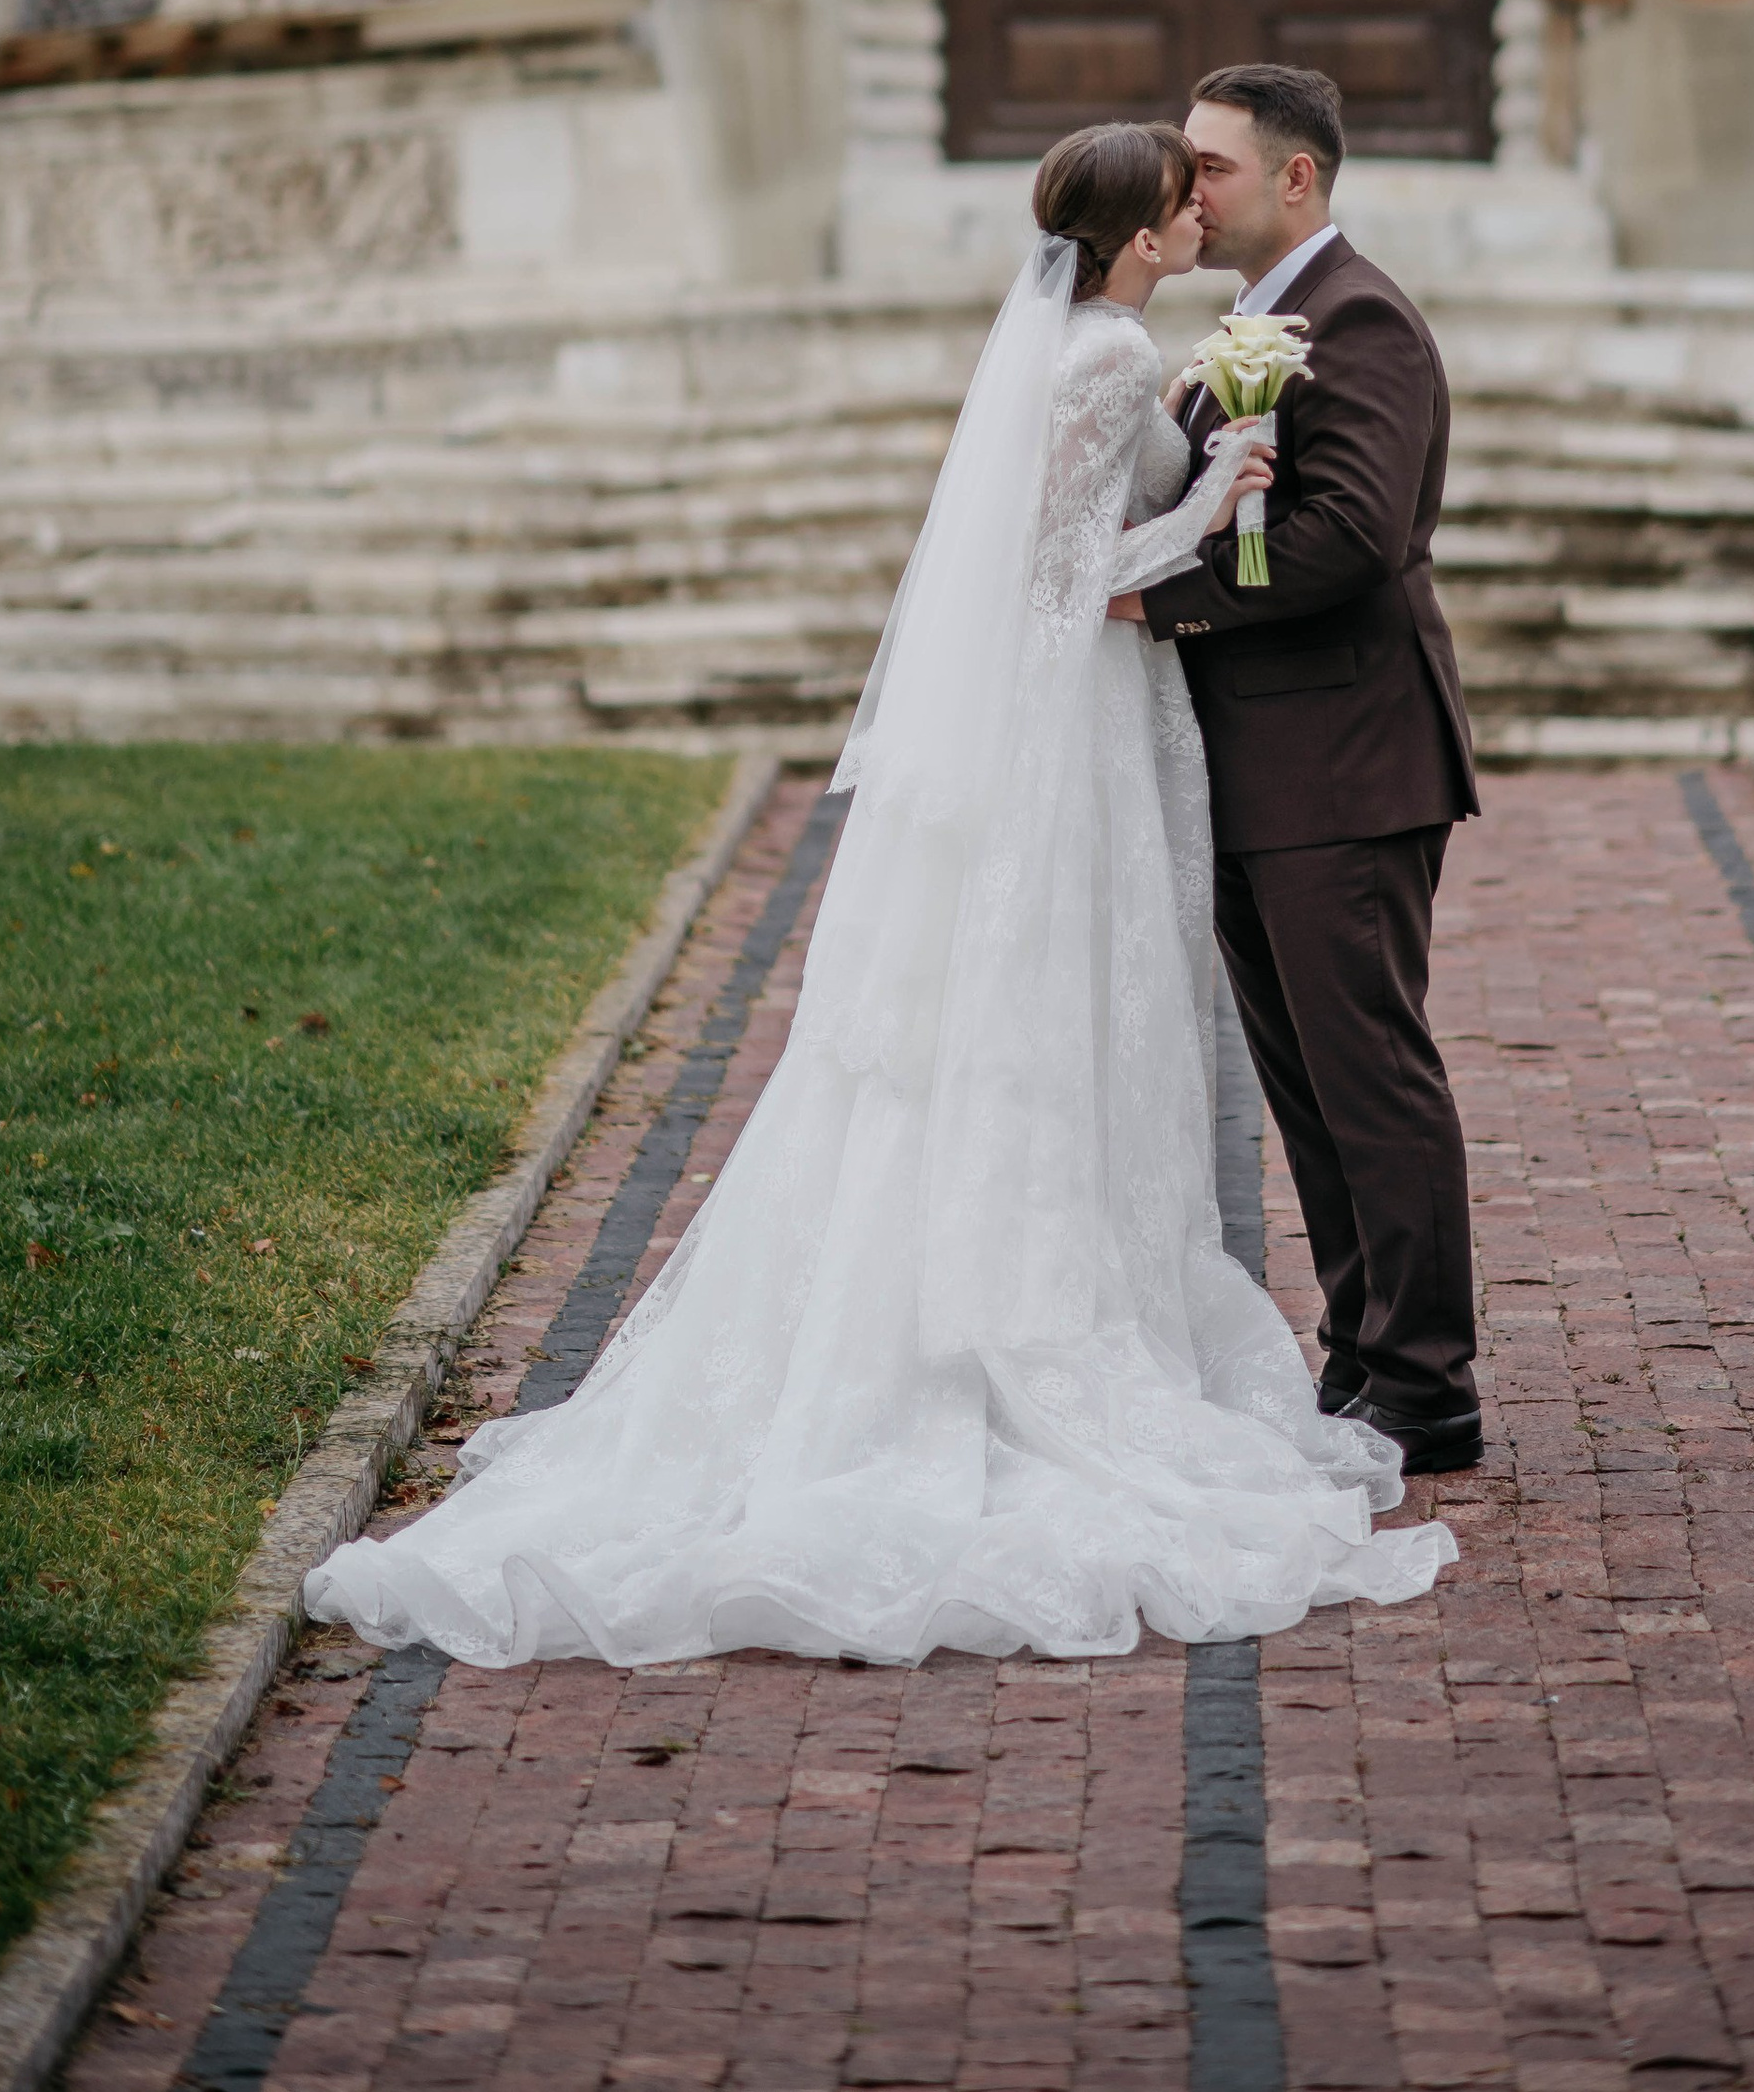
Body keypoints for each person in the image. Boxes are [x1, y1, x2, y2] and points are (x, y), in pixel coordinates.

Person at [302, 120, 1457, 1667]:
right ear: (1136, 235)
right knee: (1069, 1022)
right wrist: (1203, 514)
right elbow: (1062, 579)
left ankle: (1370, 1359)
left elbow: (1255, 542)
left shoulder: (1167, 340)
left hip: (1147, 730)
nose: (1199, 201)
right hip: (1082, 728)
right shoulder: (1117, 354)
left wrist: (1200, 516)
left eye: (1215, 169)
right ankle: (1086, 1342)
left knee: (1100, 1030)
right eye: (1179, 187)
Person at [1114, 64, 1483, 1478]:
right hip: (1256, 768)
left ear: (1296, 176)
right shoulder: (1248, 326)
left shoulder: (1358, 317)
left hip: (1346, 761)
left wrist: (1163, 599)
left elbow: (1353, 536)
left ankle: (1428, 1385)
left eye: (1209, 166)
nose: (1186, 189)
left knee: (1370, 1075)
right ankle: (1361, 1354)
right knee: (1307, 1092)